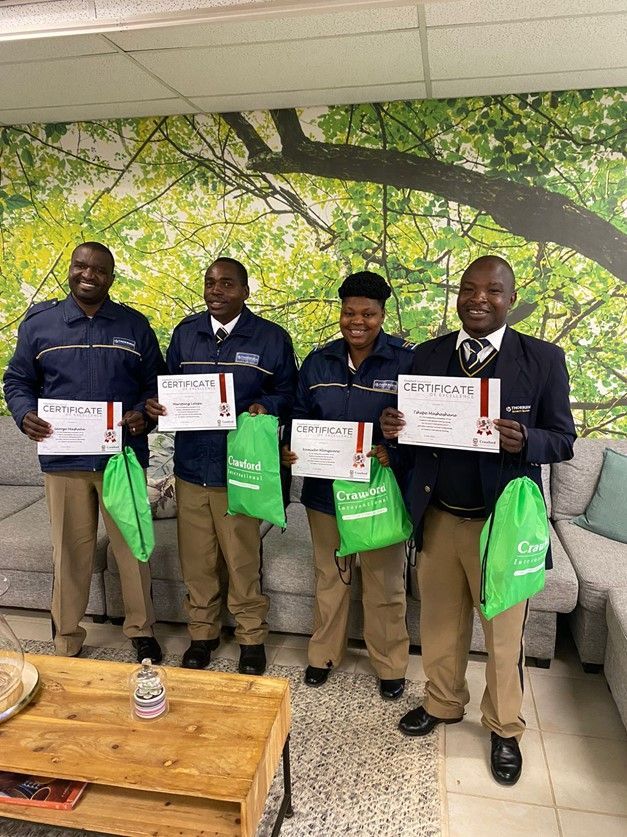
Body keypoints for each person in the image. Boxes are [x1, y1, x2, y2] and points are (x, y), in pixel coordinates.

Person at [381, 255, 576, 785]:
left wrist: (527, 440)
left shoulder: (542, 359)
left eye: (493, 291)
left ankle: (504, 726)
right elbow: (407, 439)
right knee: (441, 626)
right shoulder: (427, 355)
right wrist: (393, 428)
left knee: (504, 637)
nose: (478, 299)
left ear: (511, 299)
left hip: (503, 525)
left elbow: (563, 438)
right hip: (440, 518)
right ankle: (443, 703)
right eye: (469, 289)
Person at [3, 242, 165, 663]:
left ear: (111, 277)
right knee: (70, 551)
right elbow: (17, 381)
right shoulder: (41, 324)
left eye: (99, 269)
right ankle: (67, 636)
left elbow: (156, 389)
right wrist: (24, 414)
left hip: (122, 459)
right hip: (64, 462)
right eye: (80, 266)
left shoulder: (134, 326)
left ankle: (141, 629)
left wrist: (143, 417)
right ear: (71, 270)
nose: (88, 274)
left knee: (133, 548)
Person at [146, 257, 297, 675]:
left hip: (242, 470)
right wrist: (156, 405)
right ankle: (202, 635)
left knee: (242, 560)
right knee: (198, 562)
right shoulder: (185, 334)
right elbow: (164, 388)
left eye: (227, 284)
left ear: (245, 292)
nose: (216, 290)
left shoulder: (271, 338)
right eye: (210, 282)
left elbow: (290, 393)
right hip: (192, 469)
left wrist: (267, 405)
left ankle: (251, 637)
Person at [281, 271, 415, 700]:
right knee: (330, 578)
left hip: (378, 492)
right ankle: (323, 655)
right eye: (349, 312)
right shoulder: (319, 362)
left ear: (382, 314)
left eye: (368, 314)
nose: (357, 321)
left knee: (384, 583)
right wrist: (290, 446)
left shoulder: (407, 361)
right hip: (324, 494)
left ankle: (391, 664)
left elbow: (423, 427)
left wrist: (393, 450)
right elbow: (300, 417)